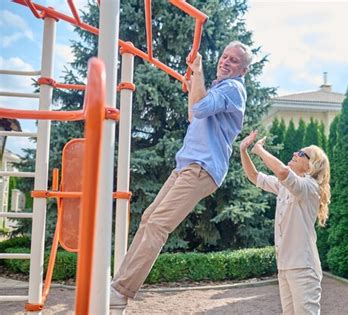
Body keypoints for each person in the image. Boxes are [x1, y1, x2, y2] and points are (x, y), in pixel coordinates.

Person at [110, 41, 253, 307]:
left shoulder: (234, 89)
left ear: (242, 70)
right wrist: (197, 81)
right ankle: (119, 284)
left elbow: (198, 108)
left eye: (233, 60)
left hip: (201, 167)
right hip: (187, 165)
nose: (225, 61)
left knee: (158, 225)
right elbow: (193, 114)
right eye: (224, 56)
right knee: (149, 218)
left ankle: (121, 291)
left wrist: (197, 72)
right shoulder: (219, 88)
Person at [239, 130, 331, 315]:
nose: (295, 154)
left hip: (304, 268)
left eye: (302, 153)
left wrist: (260, 150)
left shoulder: (310, 187)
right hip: (285, 267)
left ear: (311, 165)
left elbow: (282, 171)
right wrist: (243, 150)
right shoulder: (285, 186)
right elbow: (254, 176)